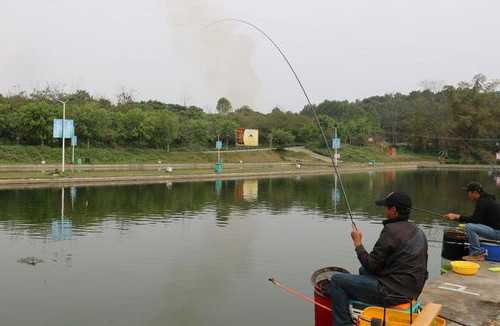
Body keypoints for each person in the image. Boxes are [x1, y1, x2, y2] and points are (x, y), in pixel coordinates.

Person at [329, 192, 428, 326]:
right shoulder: (418, 231)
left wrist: (358, 243)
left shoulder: (391, 230)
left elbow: (372, 265)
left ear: (393, 210)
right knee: (362, 270)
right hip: (412, 290)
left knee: (337, 280)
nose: (385, 211)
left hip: (393, 293)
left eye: (387, 208)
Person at [444, 182, 500, 261]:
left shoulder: (482, 202)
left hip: (497, 232)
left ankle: (477, 254)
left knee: (469, 227)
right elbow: (479, 220)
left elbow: (474, 221)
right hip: (495, 229)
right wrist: (457, 217)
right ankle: (477, 252)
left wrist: (457, 216)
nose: (468, 195)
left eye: (469, 192)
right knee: (470, 227)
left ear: (475, 193)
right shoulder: (487, 200)